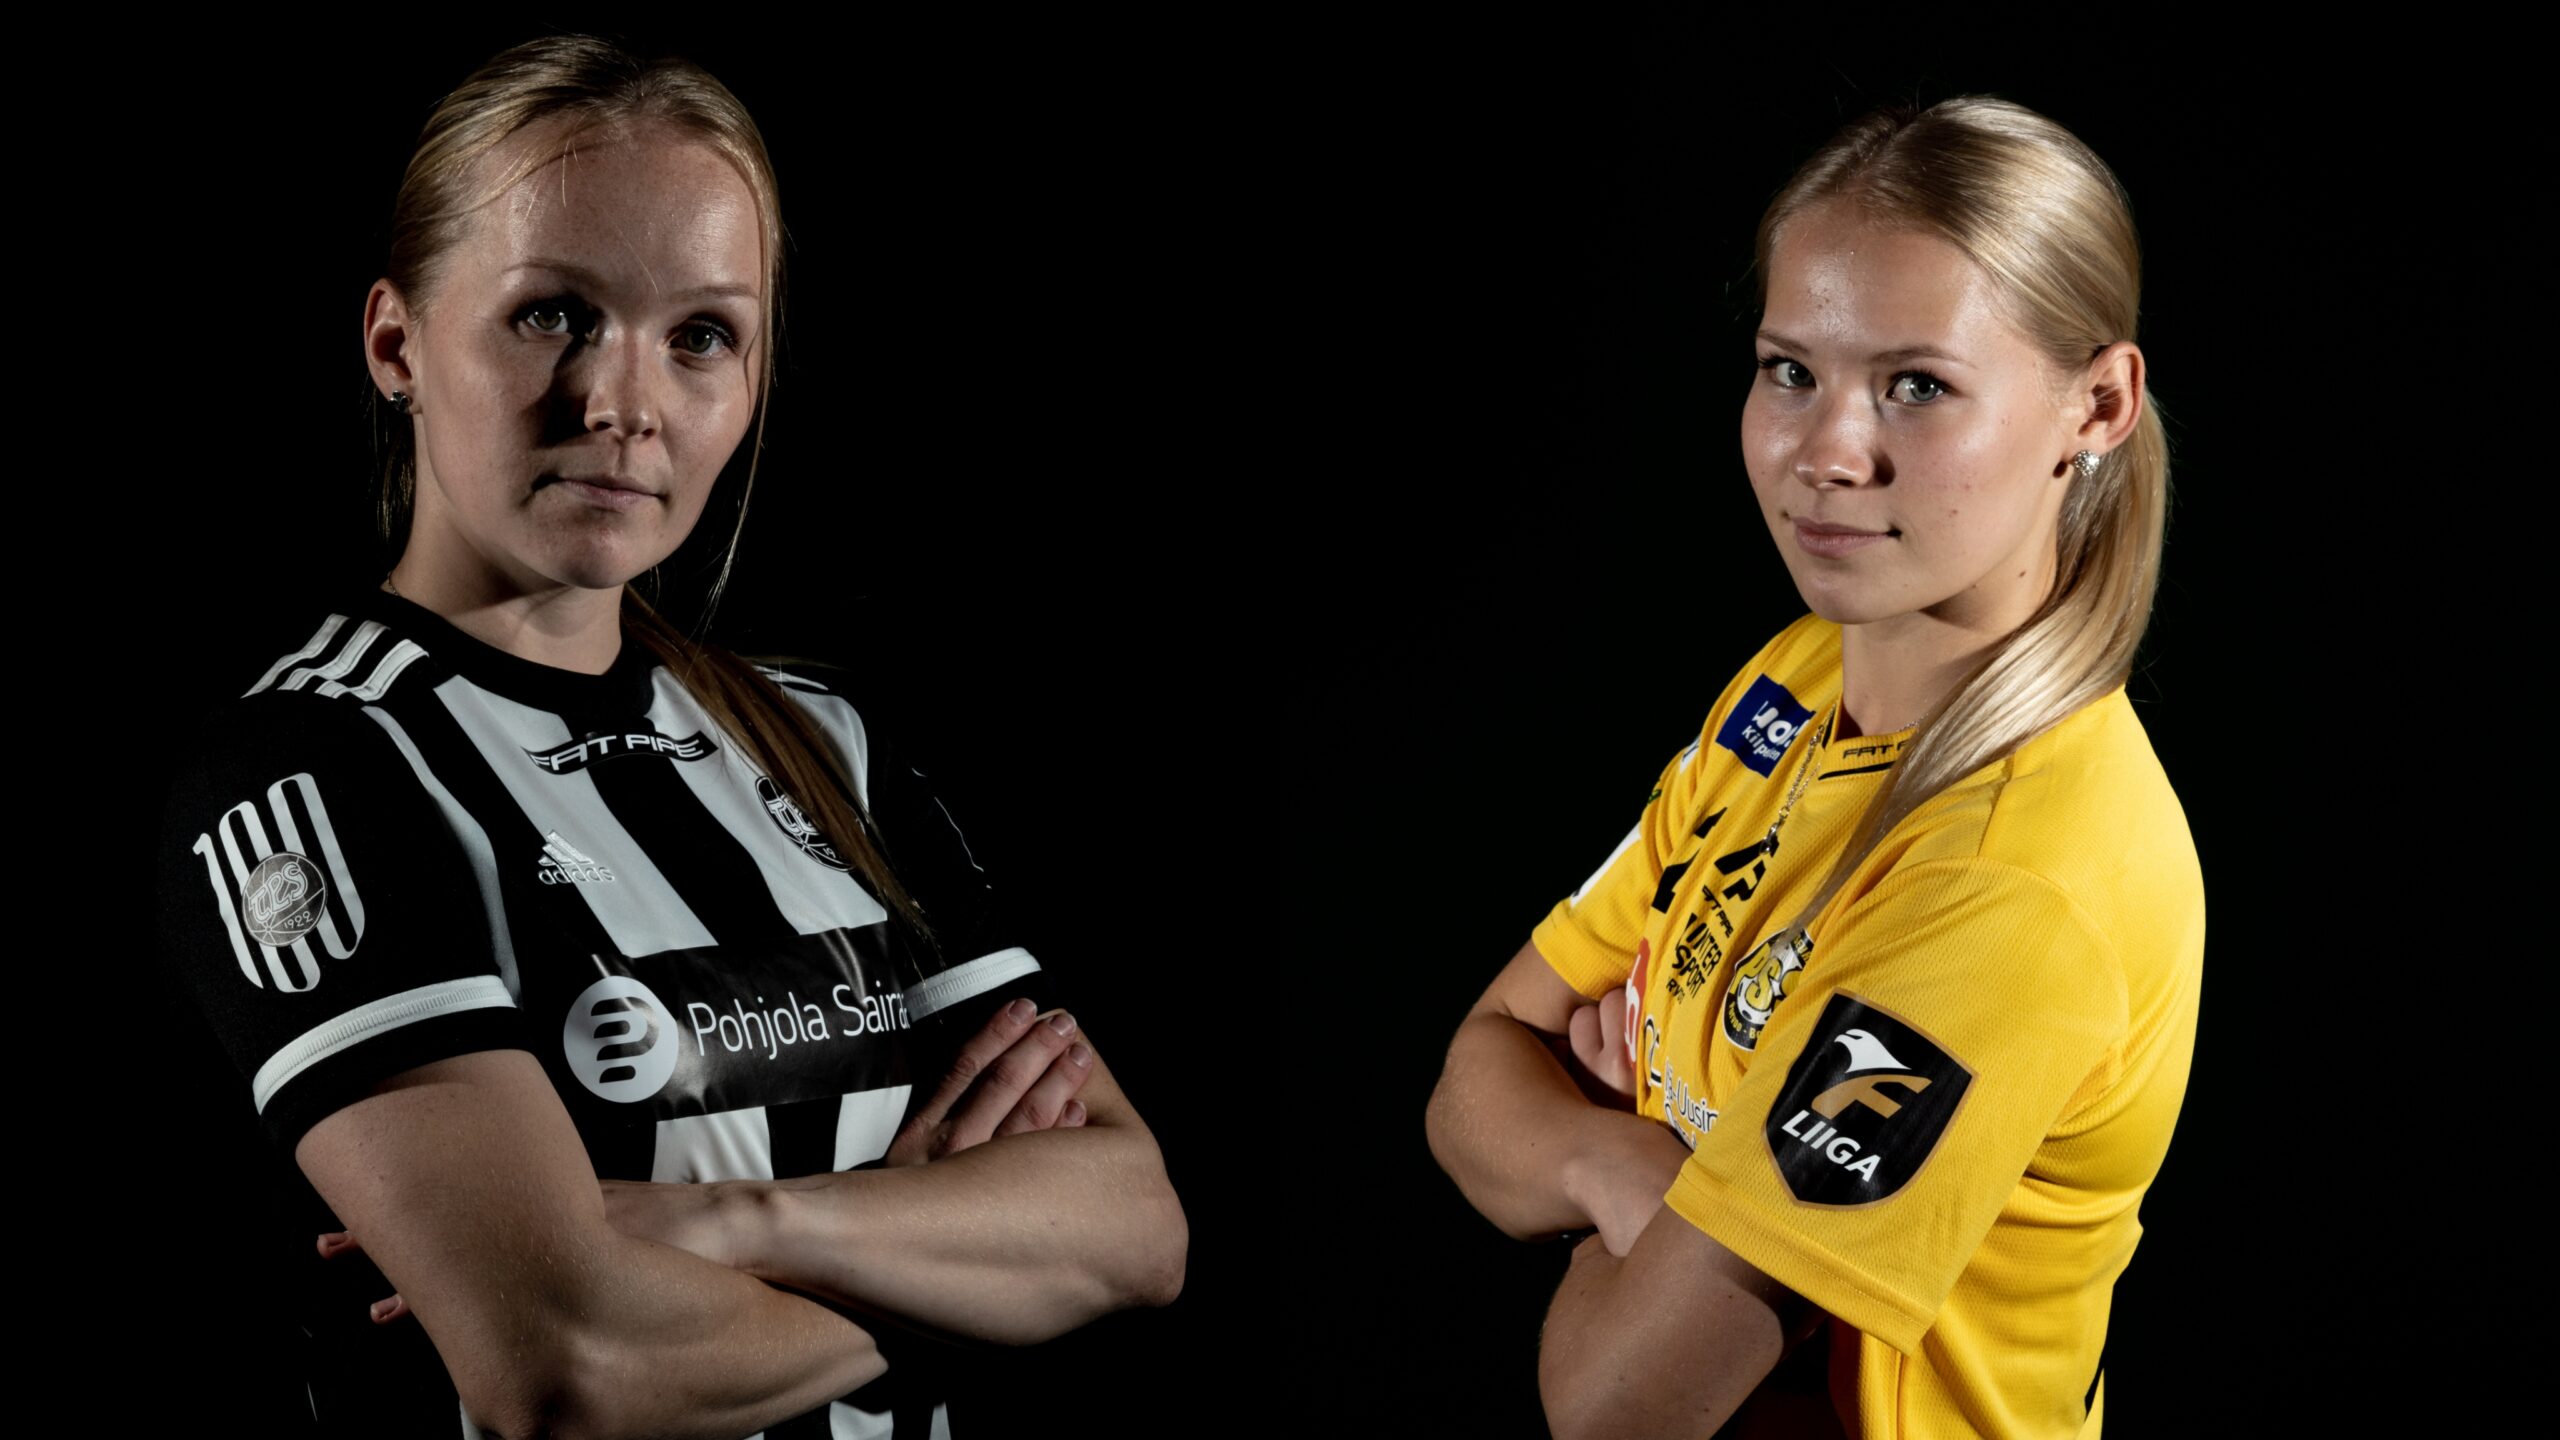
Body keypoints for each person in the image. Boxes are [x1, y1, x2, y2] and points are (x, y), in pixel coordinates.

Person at [156, 35, 1184, 1438]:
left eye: (701, 336)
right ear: (397, 344)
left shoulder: (824, 743)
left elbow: (1135, 1225)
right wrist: (964, 1265)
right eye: (551, 314)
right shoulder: (313, 770)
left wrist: (735, 1221)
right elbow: (570, 1364)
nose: (623, 406)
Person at [1424, 96, 2201, 1439]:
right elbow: (1476, 1071)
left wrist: (1614, 1150)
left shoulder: (2013, 880)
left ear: (2098, 404)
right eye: (1791, 370)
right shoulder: (1794, 681)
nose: (1825, 453)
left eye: (1918, 385)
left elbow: (1617, 1405)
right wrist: (1633, 1166)